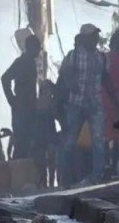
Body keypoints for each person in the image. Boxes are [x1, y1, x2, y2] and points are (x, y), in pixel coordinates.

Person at [61, 24, 119, 187]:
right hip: (76, 104)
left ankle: (96, 176)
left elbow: (106, 79)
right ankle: (66, 178)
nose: (95, 39)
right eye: (92, 36)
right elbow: (64, 72)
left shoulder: (101, 57)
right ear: (84, 38)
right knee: (71, 140)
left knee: (98, 140)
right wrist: (69, 83)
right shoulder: (73, 55)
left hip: (95, 104)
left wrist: (115, 100)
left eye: (96, 35)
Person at [1, 35, 41, 159]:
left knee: (30, 144)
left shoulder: (30, 63)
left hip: (29, 108)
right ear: (30, 47)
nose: (39, 50)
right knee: (21, 144)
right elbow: (5, 78)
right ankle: (19, 173)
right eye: (37, 47)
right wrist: (12, 100)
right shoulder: (21, 62)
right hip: (22, 109)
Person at [103, 30, 119, 175]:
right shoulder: (114, 59)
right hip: (115, 104)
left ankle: (108, 167)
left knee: (108, 137)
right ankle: (114, 167)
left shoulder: (105, 58)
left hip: (105, 103)